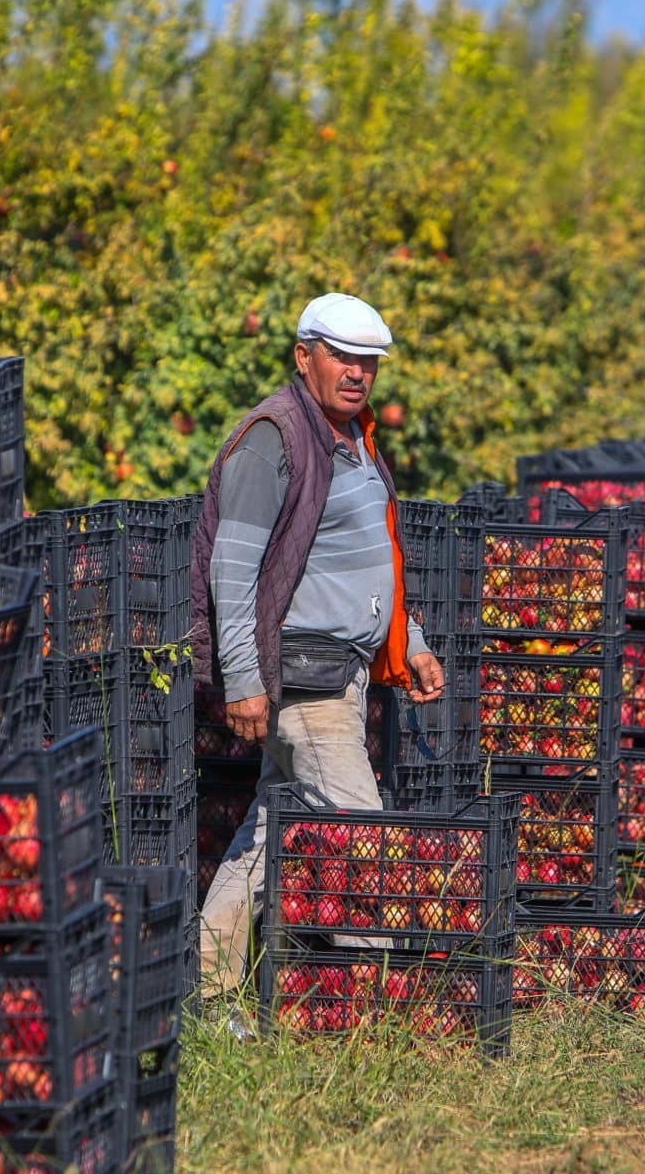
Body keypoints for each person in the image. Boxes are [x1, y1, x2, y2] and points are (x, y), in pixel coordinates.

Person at [189, 292, 446, 1001]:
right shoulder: (274, 437)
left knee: (266, 844)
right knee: (364, 842)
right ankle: (386, 1004)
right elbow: (231, 569)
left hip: (345, 673)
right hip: (304, 680)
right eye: (342, 355)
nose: (358, 371)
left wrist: (410, 639)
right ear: (304, 357)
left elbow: (369, 551)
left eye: (369, 360)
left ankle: (205, 995)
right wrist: (241, 677)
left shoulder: (353, 436)